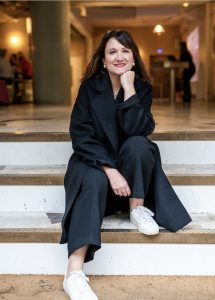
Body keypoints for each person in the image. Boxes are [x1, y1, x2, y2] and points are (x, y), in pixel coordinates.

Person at [60, 30, 192, 300]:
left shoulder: (141, 88)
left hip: (130, 178)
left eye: (124, 51)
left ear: (133, 58)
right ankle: (74, 272)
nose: (118, 56)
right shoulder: (89, 88)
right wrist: (109, 170)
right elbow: (81, 135)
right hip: (92, 163)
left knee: (140, 145)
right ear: (103, 60)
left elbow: (139, 130)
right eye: (112, 52)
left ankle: (137, 208)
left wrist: (130, 89)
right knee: (95, 179)